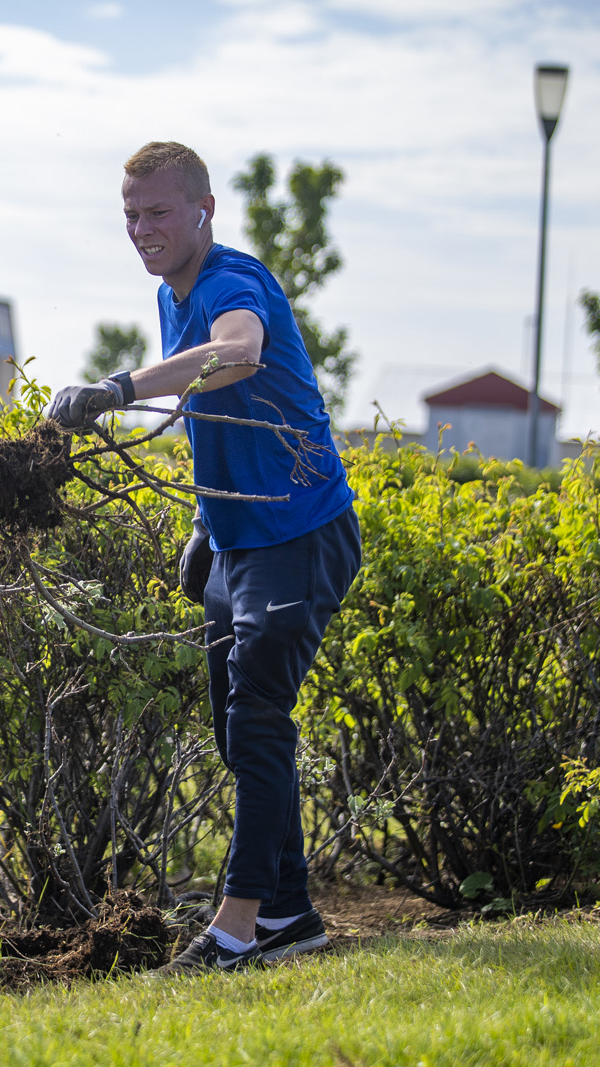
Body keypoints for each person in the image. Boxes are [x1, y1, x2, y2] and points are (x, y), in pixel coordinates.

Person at [48, 142, 362, 974]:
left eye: (157, 212)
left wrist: (118, 389)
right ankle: (290, 914)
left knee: (258, 721)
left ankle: (233, 931)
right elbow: (213, 414)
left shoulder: (230, 284)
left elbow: (240, 353)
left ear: (204, 210)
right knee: (238, 733)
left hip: (297, 531)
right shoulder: (169, 292)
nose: (141, 229)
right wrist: (200, 522)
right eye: (130, 214)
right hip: (237, 538)